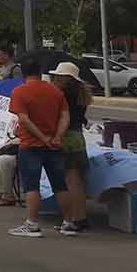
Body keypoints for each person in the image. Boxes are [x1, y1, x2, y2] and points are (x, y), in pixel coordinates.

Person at [7, 59, 74, 238]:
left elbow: (24, 119)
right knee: (60, 185)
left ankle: (32, 224)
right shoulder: (55, 91)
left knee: (32, 186)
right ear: (40, 71)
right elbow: (65, 116)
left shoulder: (20, 91)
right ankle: (68, 222)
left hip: (31, 145)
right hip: (55, 146)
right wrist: (57, 136)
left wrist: (42, 138)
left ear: (23, 73)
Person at [51, 62, 91, 234]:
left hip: (67, 137)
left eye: (59, 76)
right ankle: (80, 218)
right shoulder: (81, 94)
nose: (55, 78)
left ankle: (73, 219)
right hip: (78, 137)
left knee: (70, 180)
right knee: (77, 180)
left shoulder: (63, 94)